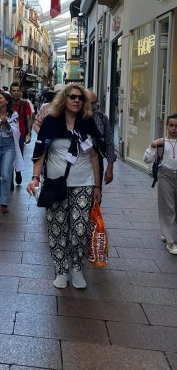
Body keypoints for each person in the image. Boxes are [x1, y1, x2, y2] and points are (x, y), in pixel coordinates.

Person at [27, 84, 103, 290]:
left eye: (80, 98)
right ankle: (61, 270)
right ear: (64, 99)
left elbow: (95, 156)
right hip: (55, 184)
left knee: (79, 229)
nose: (76, 100)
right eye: (72, 96)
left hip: (84, 183)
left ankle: (77, 267)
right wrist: (35, 178)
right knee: (57, 228)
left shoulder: (88, 123)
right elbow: (41, 151)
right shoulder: (51, 121)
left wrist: (97, 185)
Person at [144, 114, 177, 254]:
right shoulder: (161, 142)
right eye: (171, 125)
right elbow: (146, 159)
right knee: (168, 208)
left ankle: (167, 232)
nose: (174, 128)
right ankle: (171, 242)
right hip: (165, 175)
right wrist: (152, 146)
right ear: (167, 126)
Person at [86, 90, 116, 186]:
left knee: (96, 194)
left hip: (97, 161)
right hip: (78, 163)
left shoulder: (102, 118)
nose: (94, 106)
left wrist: (110, 168)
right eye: (91, 103)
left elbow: (109, 143)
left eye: (96, 103)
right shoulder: (72, 117)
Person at [10, 82, 33, 185]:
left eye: (17, 91)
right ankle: (9, 178)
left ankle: (18, 171)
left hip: (21, 135)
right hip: (8, 134)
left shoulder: (25, 103)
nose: (15, 93)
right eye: (13, 91)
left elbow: (29, 119)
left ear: (20, 92)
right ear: (10, 92)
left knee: (19, 155)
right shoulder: (7, 102)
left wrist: (29, 133)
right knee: (8, 156)